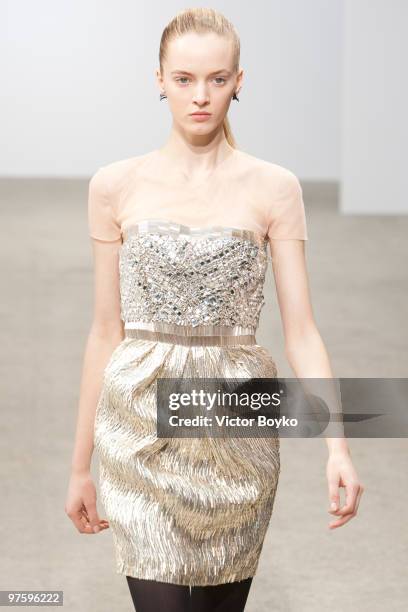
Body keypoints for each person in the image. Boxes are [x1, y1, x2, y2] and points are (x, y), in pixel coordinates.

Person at [65, 7, 364, 612]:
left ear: (238, 81)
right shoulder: (115, 186)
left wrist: (338, 448)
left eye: (217, 79)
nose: (200, 96)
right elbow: (105, 332)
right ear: (158, 79)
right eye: (183, 79)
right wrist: (80, 466)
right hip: (139, 424)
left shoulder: (274, 187)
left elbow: (301, 330)